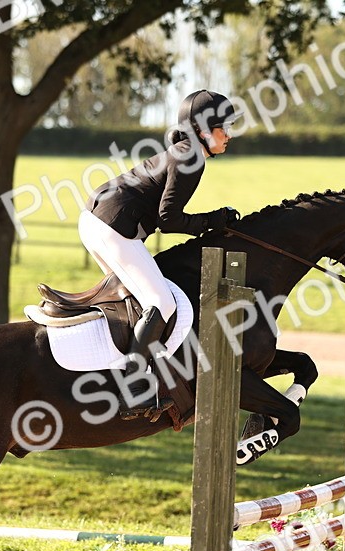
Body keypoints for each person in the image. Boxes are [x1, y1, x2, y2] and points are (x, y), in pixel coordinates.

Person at [80, 89, 241, 419]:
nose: (229, 134)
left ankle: (117, 374)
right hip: (113, 226)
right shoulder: (191, 157)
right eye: (224, 127)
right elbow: (169, 220)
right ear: (204, 129)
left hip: (97, 220)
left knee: (133, 301)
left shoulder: (184, 150)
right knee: (163, 303)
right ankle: (132, 390)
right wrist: (214, 220)